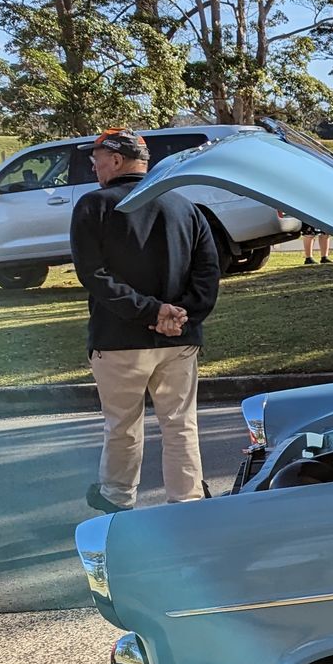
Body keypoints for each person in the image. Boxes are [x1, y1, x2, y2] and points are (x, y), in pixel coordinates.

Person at [69, 128, 222, 513]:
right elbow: (208, 273)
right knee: (180, 424)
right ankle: (186, 503)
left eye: (97, 158)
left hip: (118, 339)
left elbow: (94, 275)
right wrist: (181, 315)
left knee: (122, 425)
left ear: (117, 161)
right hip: (178, 341)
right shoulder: (187, 207)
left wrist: (149, 312)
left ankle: (118, 500)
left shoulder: (94, 206)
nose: (94, 165)